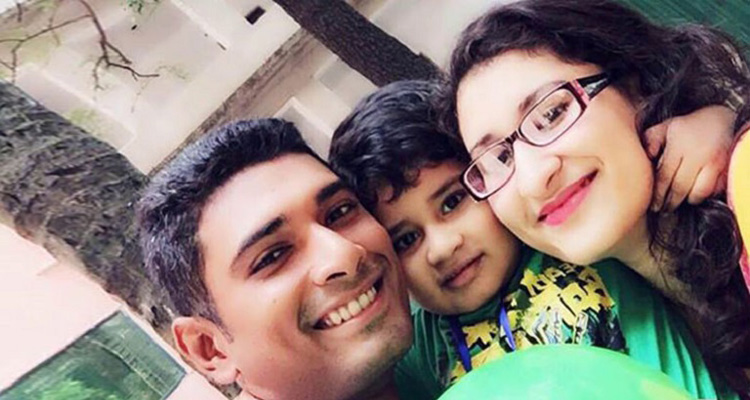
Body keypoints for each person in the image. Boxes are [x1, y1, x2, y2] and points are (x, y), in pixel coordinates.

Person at [329, 80, 739, 399]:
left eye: (453, 201)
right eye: (406, 240)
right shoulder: (420, 349)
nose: (442, 248)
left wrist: (718, 126)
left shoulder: (567, 235)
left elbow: (664, 154)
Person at [440, 0, 750, 392]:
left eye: (552, 114)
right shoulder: (618, 320)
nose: (533, 180)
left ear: (635, 85)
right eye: (498, 159)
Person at [137, 119, 413, 400]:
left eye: (340, 212)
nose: (344, 253)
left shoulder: (434, 350)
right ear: (210, 349)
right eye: (273, 256)